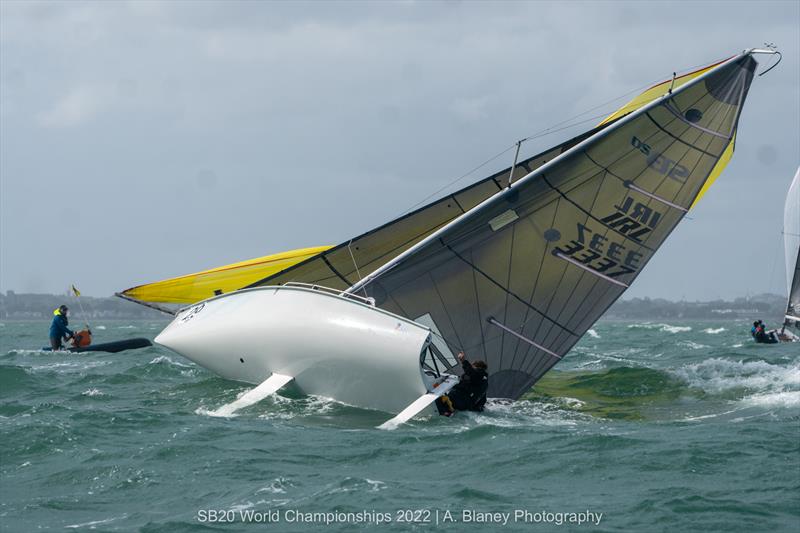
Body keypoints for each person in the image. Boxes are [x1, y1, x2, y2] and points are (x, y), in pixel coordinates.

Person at [436, 352, 489, 416]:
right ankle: (448, 412)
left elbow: (471, 372)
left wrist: (463, 360)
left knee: (437, 398)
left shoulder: (478, 373)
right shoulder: (484, 380)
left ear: (476, 367)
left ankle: (445, 413)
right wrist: (477, 408)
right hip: (466, 404)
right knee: (446, 402)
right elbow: (482, 398)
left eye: (472, 366)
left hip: (459, 399)